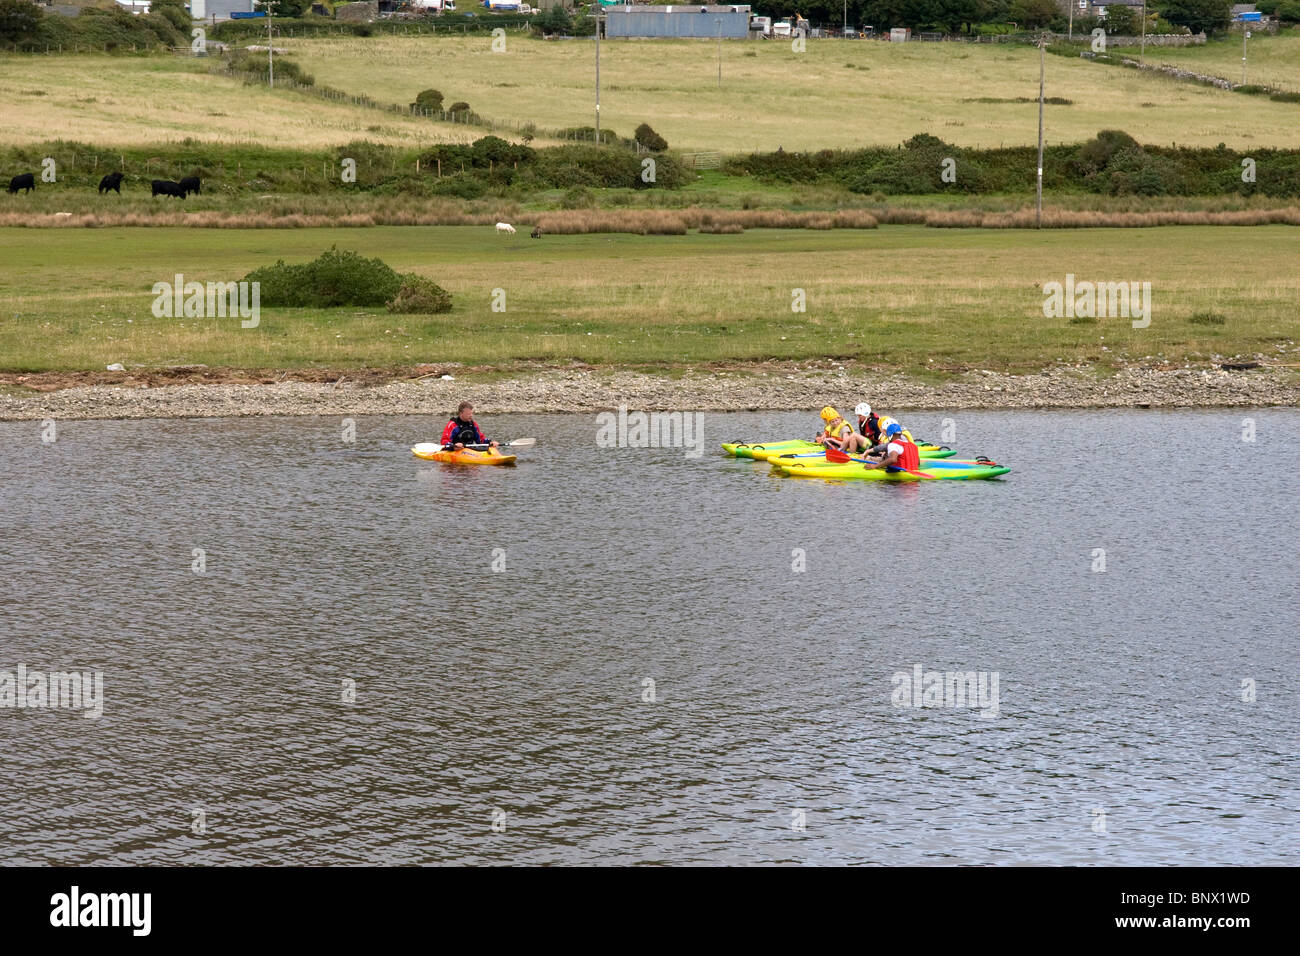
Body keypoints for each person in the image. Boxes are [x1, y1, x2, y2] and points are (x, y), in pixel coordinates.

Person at [843, 402, 915, 454]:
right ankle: (842, 450)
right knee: (852, 436)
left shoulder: (874, 422)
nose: (858, 417)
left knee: (853, 435)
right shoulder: (863, 422)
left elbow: (881, 438)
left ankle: (851, 455)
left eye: (860, 415)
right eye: (858, 415)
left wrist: (878, 450)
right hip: (873, 444)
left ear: (865, 414)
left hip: (874, 445)